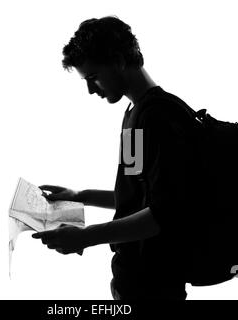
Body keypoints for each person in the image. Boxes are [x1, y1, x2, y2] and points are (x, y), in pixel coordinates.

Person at [32, 16, 194, 300]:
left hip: (156, 287)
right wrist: (80, 195)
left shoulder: (160, 116)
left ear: (118, 61)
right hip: (131, 280)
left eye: (93, 76)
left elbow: (163, 214)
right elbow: (137, 198)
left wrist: (85, 237)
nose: (91, 89)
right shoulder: (134, 114)